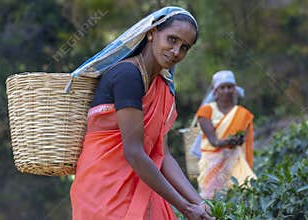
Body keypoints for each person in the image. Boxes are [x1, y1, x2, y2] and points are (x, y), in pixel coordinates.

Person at [69, 7, 211, 220]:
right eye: (171, 39)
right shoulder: (128, 75)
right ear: (152, 32)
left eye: (184, 47)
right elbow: (134, 152)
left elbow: (162, 156)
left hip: (141, 186)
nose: (176, 51)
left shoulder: (162, 87)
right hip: (105, 191)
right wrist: (186, 207)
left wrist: (199, 202)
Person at [195, 70, 256, 199]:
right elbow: (214, 141)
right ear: (215, 90)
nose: (226, 91)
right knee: (212, 201)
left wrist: (237, 141)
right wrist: (228, 142)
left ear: (235, 89)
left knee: (240, 198)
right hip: (212, 164)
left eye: (230, 87)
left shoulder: (242, 113)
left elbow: (245, 141)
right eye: (222, 87)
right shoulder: (206, 111)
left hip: (235, 161)